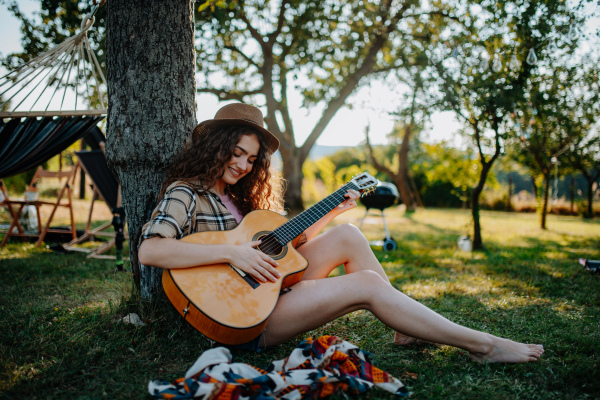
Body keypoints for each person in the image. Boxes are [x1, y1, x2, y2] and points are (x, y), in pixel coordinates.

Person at [138, 103, 544, 363]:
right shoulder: (186, 193)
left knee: (349, 233)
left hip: (271, 288)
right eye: (236, 153)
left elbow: (288, 248)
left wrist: (332, 209)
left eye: (251, 158)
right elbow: (151, 250)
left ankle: (404, 327)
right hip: (242, 319)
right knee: (365, 284)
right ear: (214, 147)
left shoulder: (240, 201)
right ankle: (484, 345)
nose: (244, 165)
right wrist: (233, 255)